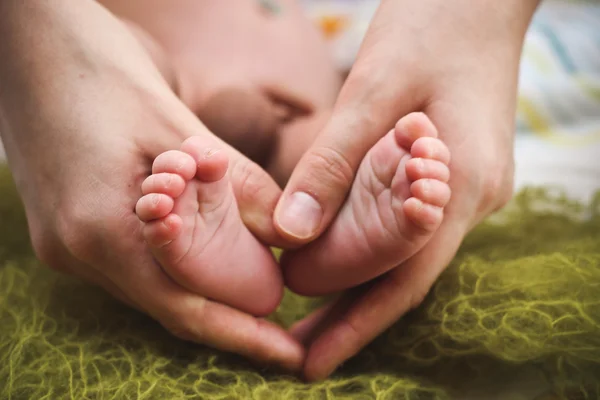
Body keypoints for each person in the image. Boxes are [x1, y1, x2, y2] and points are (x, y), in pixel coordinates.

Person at [0, 0, 539, 381]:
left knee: (341, 136)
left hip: (298, 118)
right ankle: (236, 238)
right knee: (148, 76)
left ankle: (317, 245)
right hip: (144, 84)